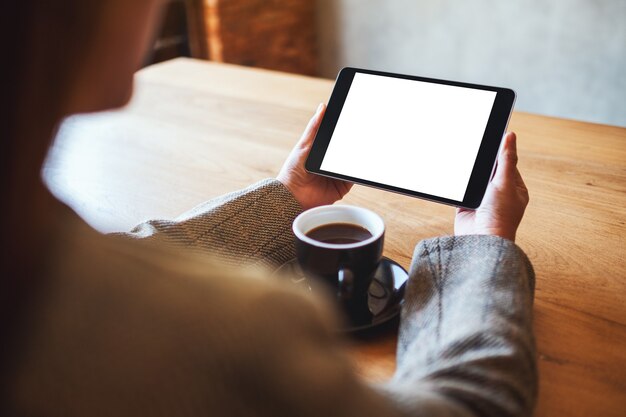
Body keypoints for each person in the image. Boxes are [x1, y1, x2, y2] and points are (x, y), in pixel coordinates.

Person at [1, 1, 536, 416]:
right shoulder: (237, 330)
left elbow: (125, 258)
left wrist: (288, 198)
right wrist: (481, 248)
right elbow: (466, 406)